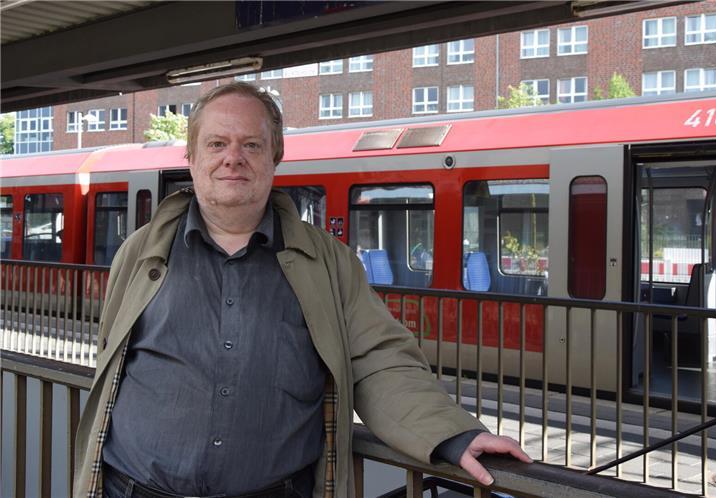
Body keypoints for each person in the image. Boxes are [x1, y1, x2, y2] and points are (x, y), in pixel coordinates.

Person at [73, 82, 531, 498]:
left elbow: (379, 361)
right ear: (191, 157)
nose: (233, 157)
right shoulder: (141, 253)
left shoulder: (329, 263)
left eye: (252, 144)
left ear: (275, 157)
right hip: (131, 489)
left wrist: (452, 434)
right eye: (216, 143)